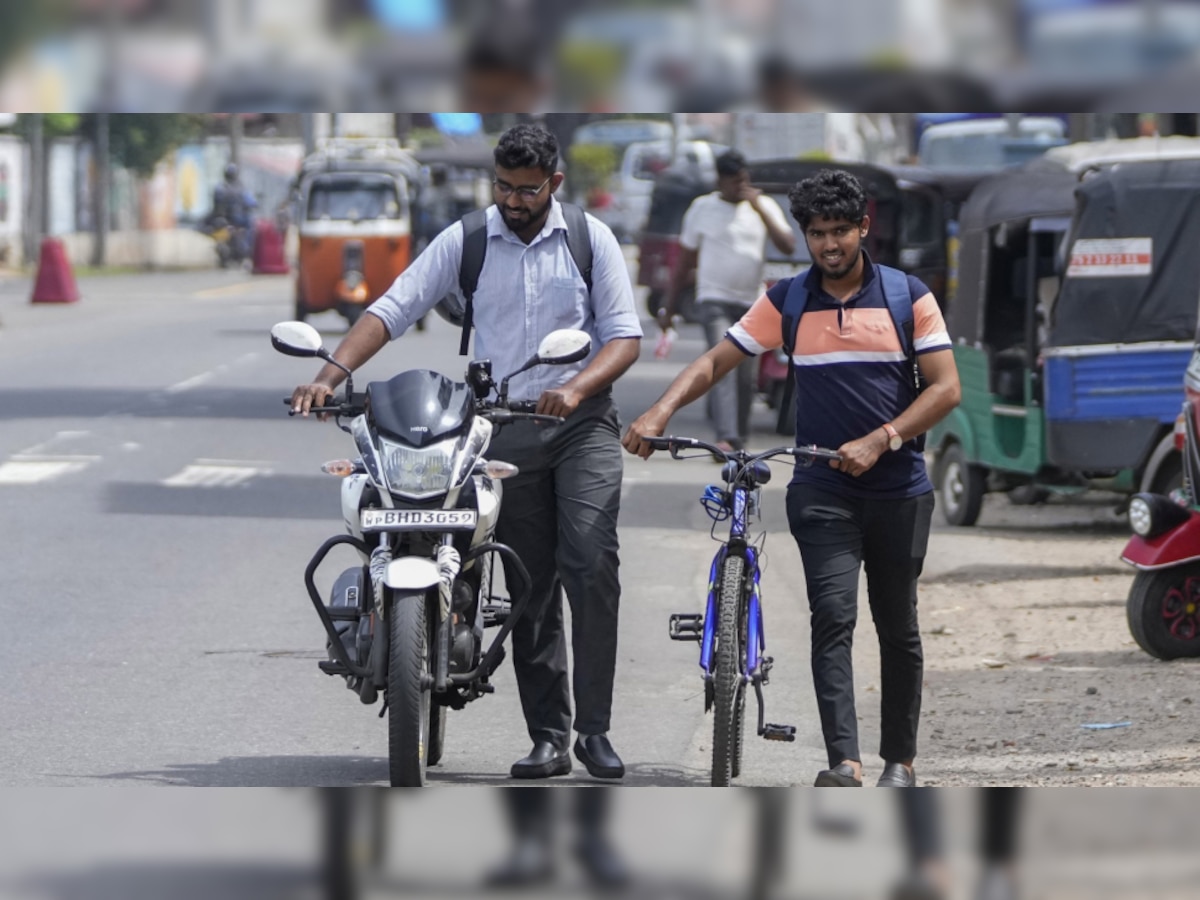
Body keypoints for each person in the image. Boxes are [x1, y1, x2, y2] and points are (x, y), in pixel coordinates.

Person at [291, 124, 642, 781]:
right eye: (503, 188)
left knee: (590, 562)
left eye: (527, 190)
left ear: (554, 185)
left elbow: (623, 338)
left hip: (582, 423)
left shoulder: (593, 242)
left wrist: (574, 387)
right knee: (529, 583)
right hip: (502, 427)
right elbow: (392, 308)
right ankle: (550, 737)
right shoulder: (469, 239)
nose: (513, 201)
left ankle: (595, 731)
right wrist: (329, 375)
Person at [624, 168, 960, 788]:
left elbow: (947, 388)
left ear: (864, 227)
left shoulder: (906, 296)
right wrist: (660, 409)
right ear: (803, 235)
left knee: (898, 626)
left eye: (840, 231)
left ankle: (901, 762)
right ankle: (844, 761)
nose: (830, 245)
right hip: (822, 489)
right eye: (816, 234)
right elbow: (716, 359)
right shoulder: (789, 300)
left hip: (899, 490)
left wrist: (883, 437)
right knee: (832, 618)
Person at [657, 150, 795, 456]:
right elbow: (684, 261)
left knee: (747, 378)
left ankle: (739, 440)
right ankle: (726, 437)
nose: (740, 187)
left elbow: (787, 246)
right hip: (713, 299)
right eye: (734, 181)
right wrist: (669, 305)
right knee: (722, 366)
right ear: (720, 180)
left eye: (744, 180)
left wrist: (759, 207)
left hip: (752, 303)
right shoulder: (702, 208)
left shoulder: (762, 206)